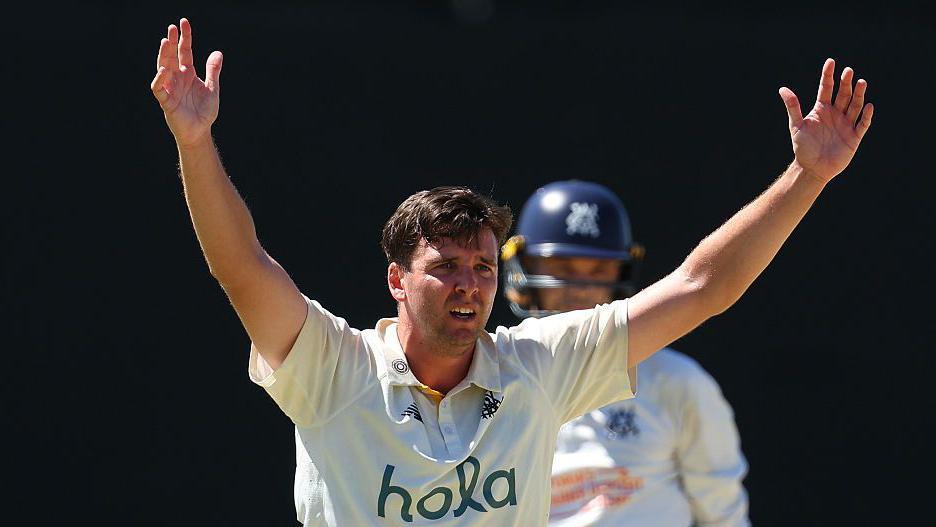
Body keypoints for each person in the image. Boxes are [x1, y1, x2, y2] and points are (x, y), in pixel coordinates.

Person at [149, 17, 873, 526]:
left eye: (483, 266)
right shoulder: (334, 369)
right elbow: (239, 266)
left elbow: (700, 287)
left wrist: (805, 178)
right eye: (446, 267)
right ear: (397, 279)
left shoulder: (537, 366)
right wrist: (195, 140)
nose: (470, 283)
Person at [502, 180, 749, 526]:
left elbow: (725, 517)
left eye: (599, 269)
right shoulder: (488, 379)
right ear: (523, 269)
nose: (581, 288)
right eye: (563, 266)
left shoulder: (676, 382)